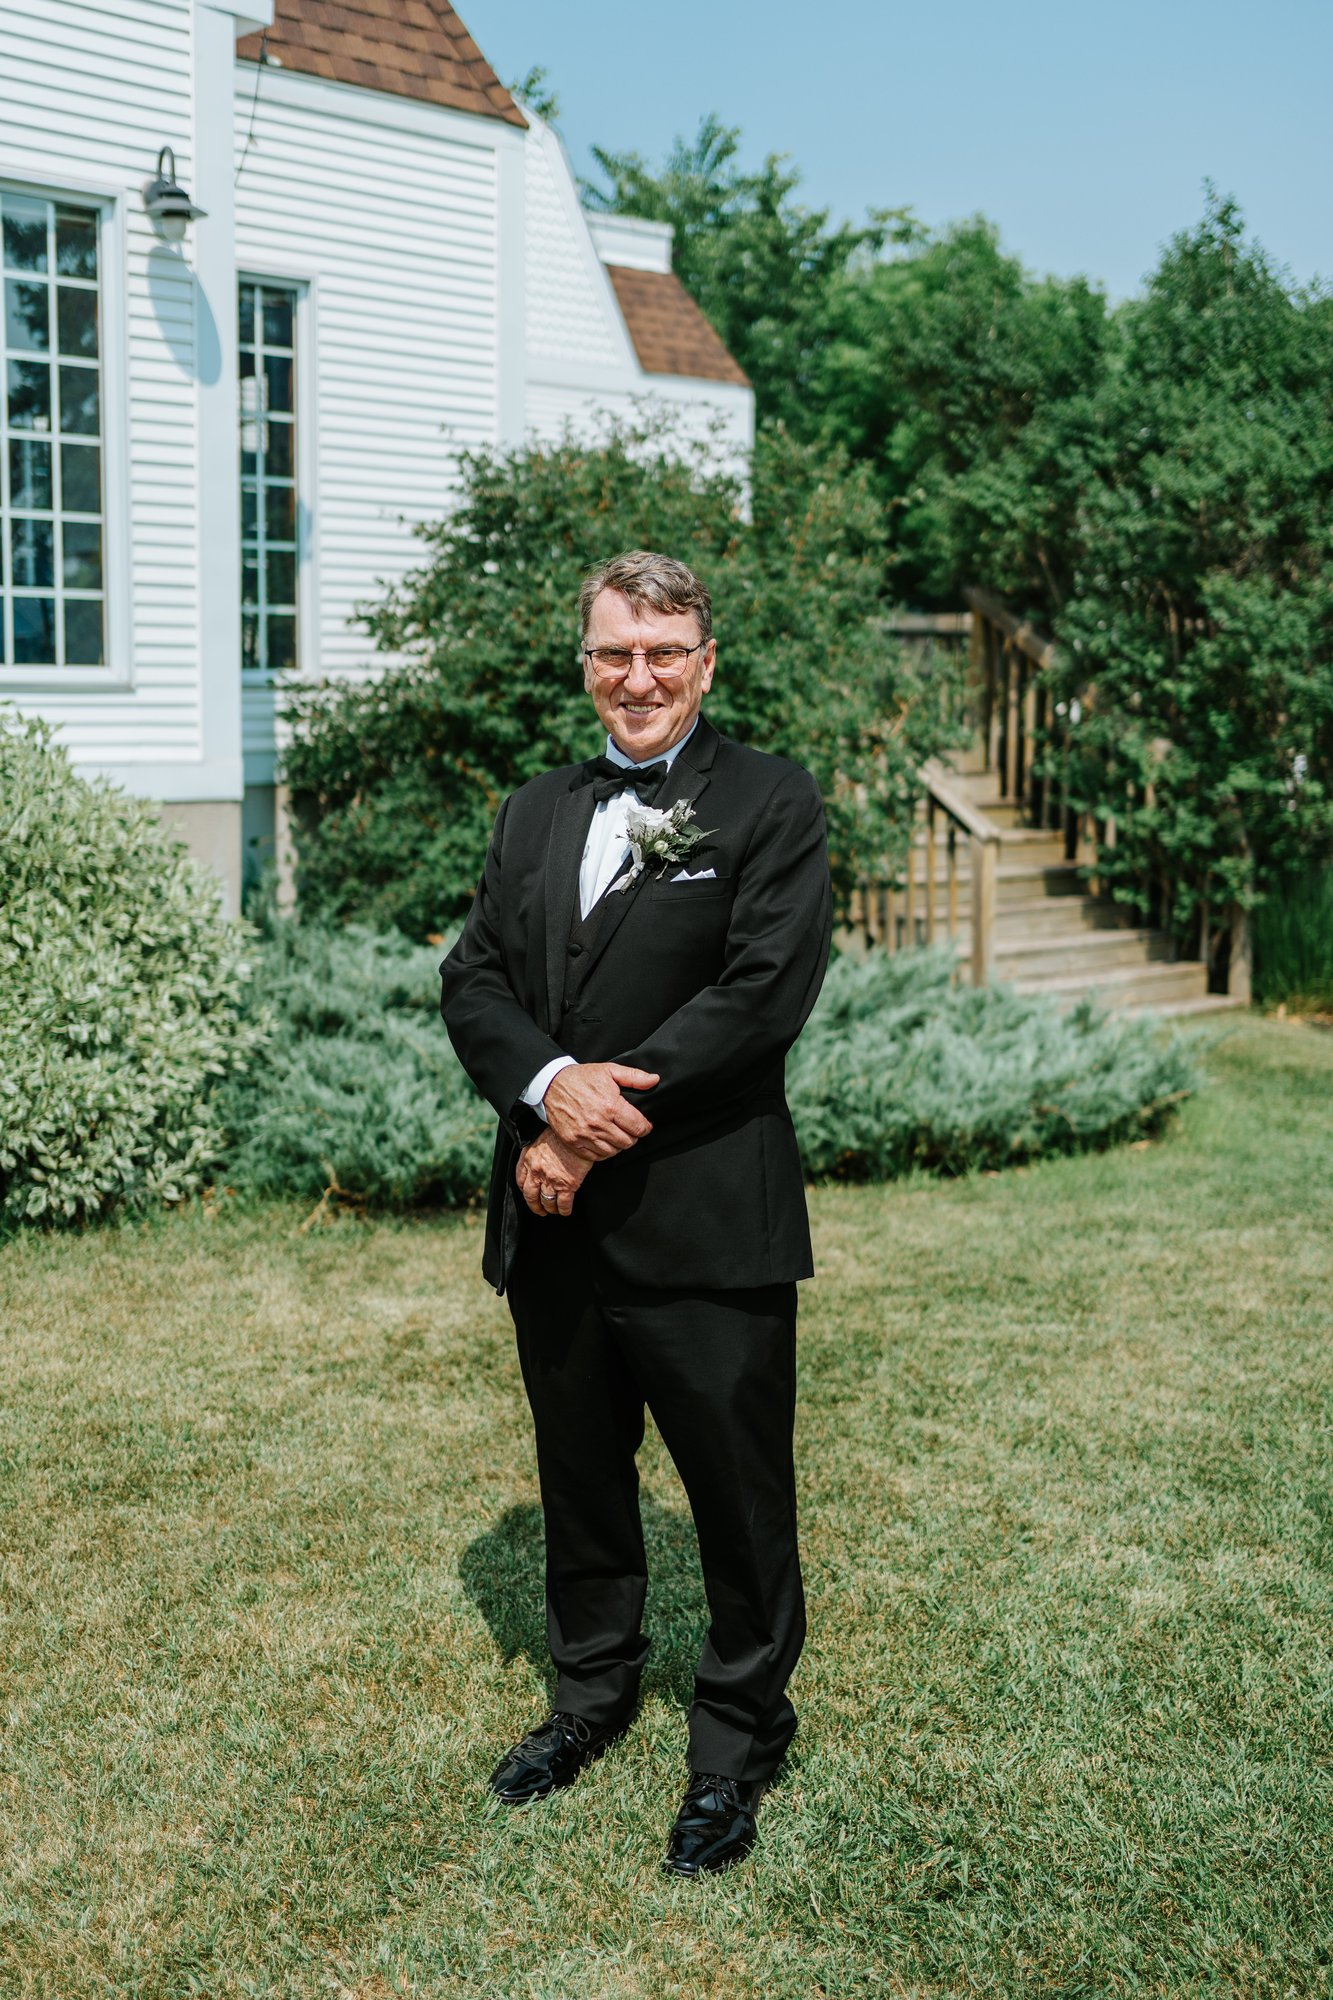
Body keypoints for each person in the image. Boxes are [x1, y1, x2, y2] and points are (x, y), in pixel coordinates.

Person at [440, 549, 832, 1877]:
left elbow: (756, 997)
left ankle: (735, 1742)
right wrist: (546, 1092)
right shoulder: (531, 812)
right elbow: (476, 981)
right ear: (587, 662)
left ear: (704, 663)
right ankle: (588, 1699)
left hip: (704, 1220)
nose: (638, 676)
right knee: (581, 1484)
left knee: (736, 1498)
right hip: (551, 1226)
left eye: (663, 652)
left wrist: (589, 1128)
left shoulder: (769, 803)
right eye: (615, 652)